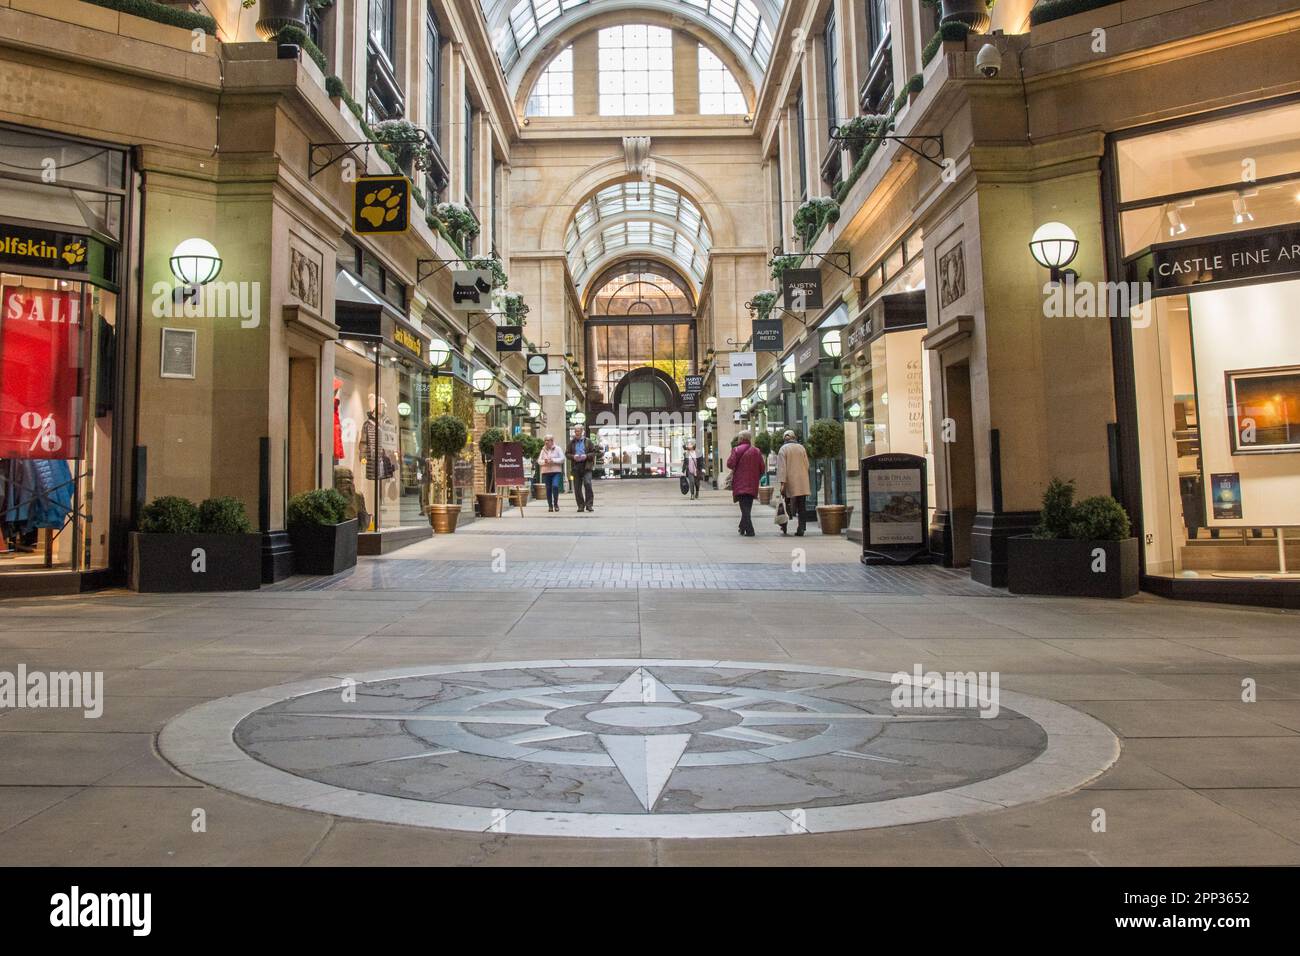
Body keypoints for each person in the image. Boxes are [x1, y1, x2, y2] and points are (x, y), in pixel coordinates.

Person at [725, 430, 764, 537]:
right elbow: (762, 468)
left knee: (744, 508)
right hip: (752, 483)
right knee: (747, 507)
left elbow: (729, 464)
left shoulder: (736, 450)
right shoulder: (757, 451)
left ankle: (750, 530)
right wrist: (756, 476)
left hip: (740, 483)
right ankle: (742, 527)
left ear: (741, 439)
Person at [775, 429, 811, 536]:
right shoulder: (801, 448)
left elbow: (782, 468)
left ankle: (784, 525)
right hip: (802, 480)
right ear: (794, 437)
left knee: (786, 504)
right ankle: (802, 527)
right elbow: (807, 464)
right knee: (801, 505)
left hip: (789, 481)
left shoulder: (783, 449)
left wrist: (782, 483)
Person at [566, 424, 596, 512]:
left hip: (586, 466)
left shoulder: (588, 441)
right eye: (575, 431)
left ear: (582, 431)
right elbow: (567, 453)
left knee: (587, 483)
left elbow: (593, 453)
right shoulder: (572, 443)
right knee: (577, 487)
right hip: (576, 466)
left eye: (578, 431)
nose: (576, 433)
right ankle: (580, 505)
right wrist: (573, 457)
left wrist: (586, 456)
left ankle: (589, 505)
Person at [536, 434, 566, 512]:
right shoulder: (543, 450)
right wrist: (544, 461)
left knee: (555, 486)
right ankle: (550, 506)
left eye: (548, 440)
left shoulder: (558, 449)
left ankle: (555, 503)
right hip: (546, 472)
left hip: (556, 471)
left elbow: (562, 459)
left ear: (552, 441)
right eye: (545, 440)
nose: (546, 442)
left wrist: (553, 460)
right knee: (548, 489)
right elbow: (539, 461)